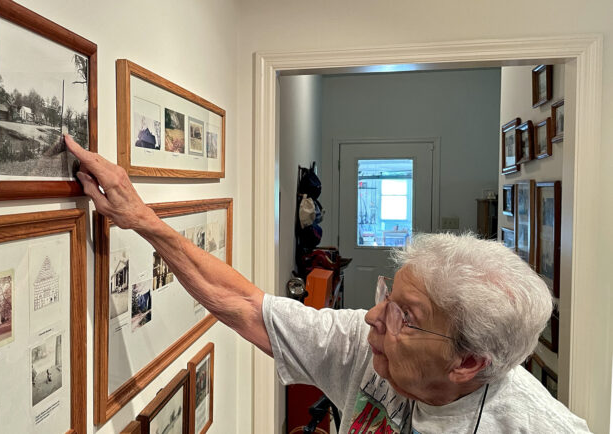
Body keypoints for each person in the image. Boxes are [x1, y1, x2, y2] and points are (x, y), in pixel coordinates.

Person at [64, 135, 590, 433]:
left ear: (468, 362)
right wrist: (145, 220)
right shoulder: (365, 347)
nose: (370, 317)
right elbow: (245, 305)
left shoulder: (538, 427)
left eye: (405, 315)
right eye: (388, 296)